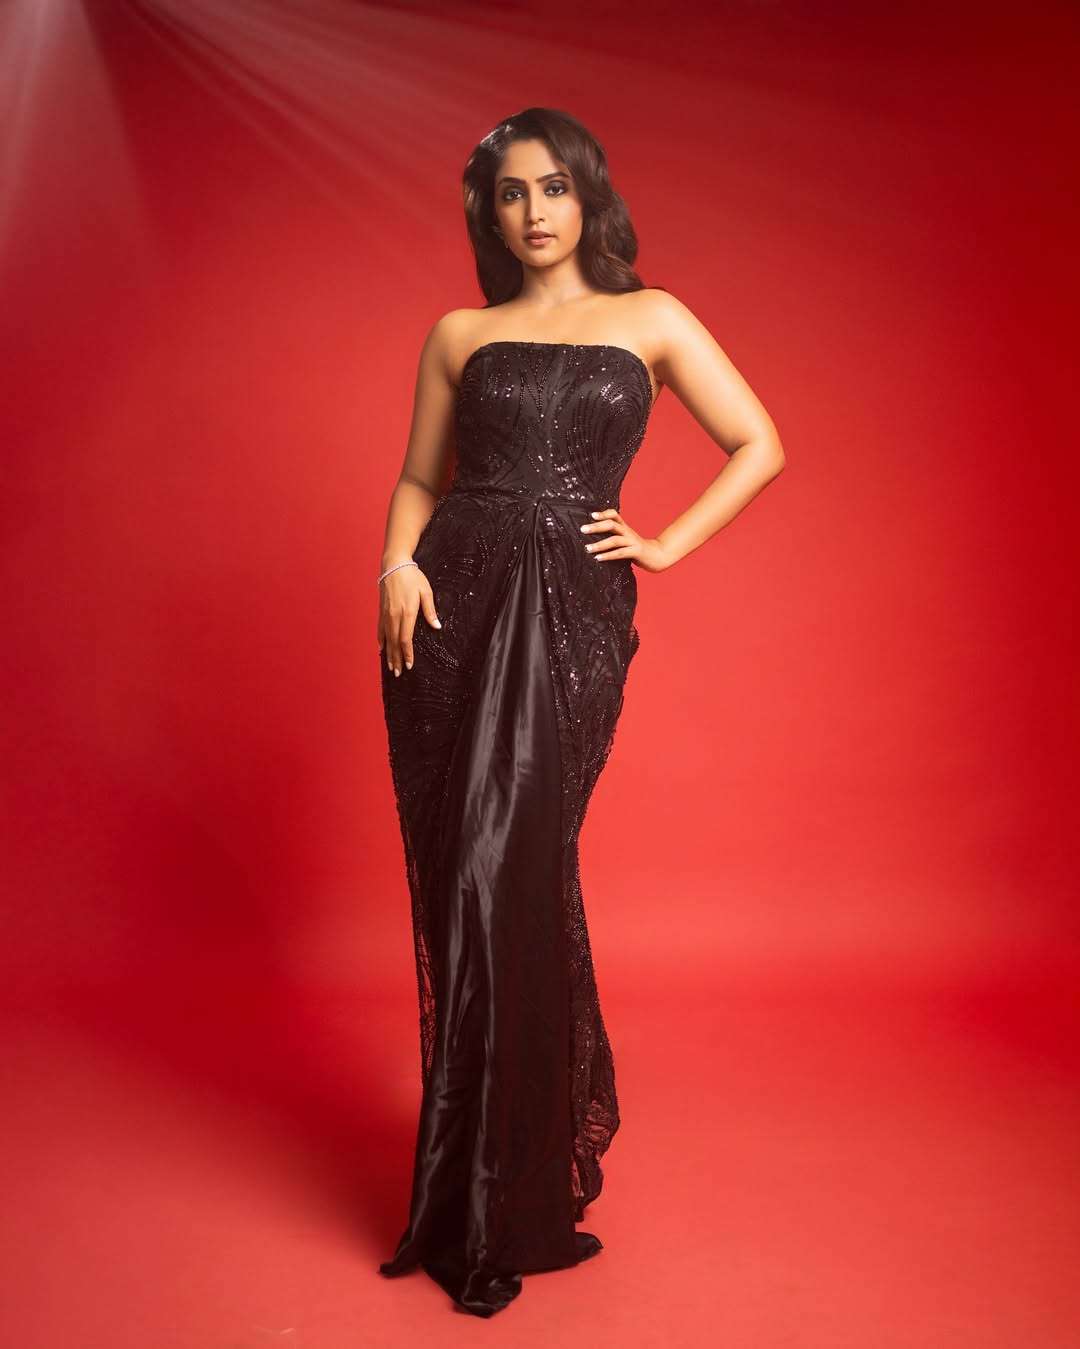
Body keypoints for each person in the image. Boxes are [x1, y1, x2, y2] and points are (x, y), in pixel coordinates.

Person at [375, 107, 785, 1317]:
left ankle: (513, 1194)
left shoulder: (653, 319)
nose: (534, 210)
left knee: (517, 867)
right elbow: (420, 477)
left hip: (573, 615)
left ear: (589, 194)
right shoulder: (459, 333)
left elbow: (759, 441)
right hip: (448, 603)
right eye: (510, 193)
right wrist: (394, 564)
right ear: (489, 214)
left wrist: (664, 543)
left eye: (553, 186)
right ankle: (468, 1199)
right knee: (464, 883)